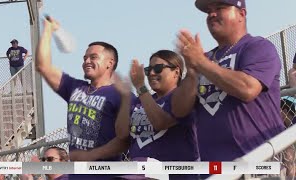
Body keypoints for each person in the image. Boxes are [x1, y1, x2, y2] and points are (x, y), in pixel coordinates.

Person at [172, 0, 285, 162]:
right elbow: (178, 110)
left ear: (242, 14)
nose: (211, 14)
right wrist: (191, 73)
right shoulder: (203, 60)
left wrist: (201, 63)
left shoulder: (258, 47)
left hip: (259, 164)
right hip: (214, 169)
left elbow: (247, 89)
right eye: (208, 11)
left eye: (220, 8)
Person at [35, 16, 130, 179]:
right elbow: (43, 66)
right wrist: (48, 30)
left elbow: (126, 139)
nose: (86, 61)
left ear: (110, 63)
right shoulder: (74, 87)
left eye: (93, 57)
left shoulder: (121, 94)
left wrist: (92, 155)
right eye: (85, 58)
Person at [116, 50, 199, 180]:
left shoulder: (181, 98)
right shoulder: (140, 101)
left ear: (176, 72)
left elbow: (160, 122)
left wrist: (140, 86)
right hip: (138, 171)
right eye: (148, 70)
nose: (152, 74)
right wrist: (126, 97)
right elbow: (122, 134)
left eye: (158, 68)